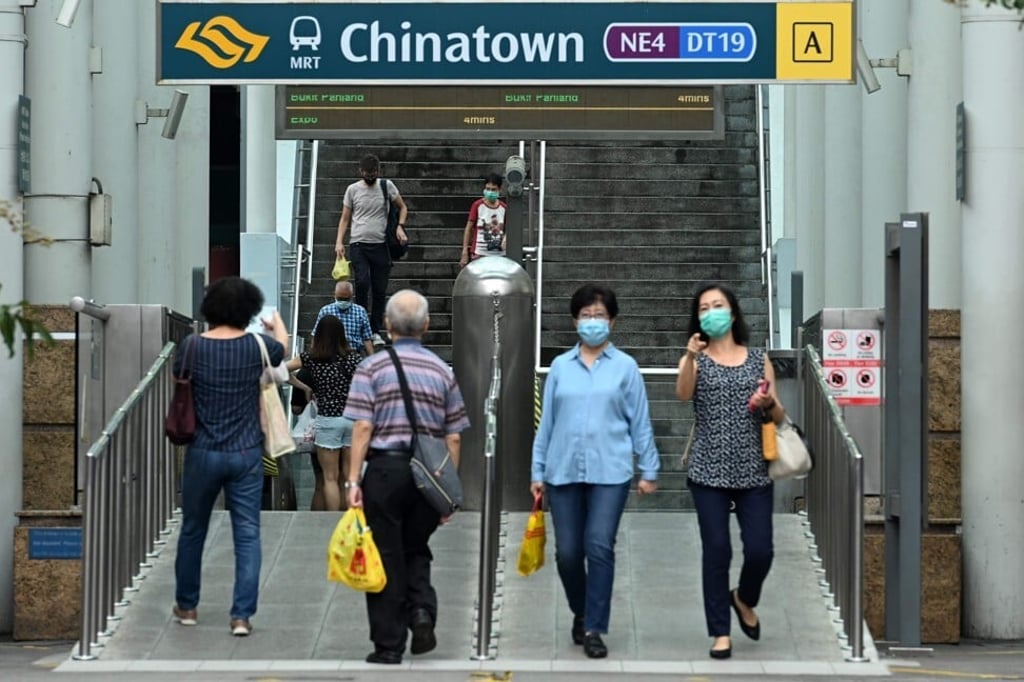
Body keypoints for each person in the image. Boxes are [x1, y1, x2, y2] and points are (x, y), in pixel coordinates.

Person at [530, 283, 660, 659]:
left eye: (599, 316)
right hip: (562, 471)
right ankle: (581, 609)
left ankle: (594, 627)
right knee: (568, 553)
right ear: (575, 321)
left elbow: (640, 421)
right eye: (585, 316)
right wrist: (537, 469)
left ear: (612, 321)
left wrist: (649, 467)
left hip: (611, 472)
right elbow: (547, 424)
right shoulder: (559, 368)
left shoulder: (626, 368)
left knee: (599, 546)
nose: (592, 322)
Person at [344, 289, 470, 665]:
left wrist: (353, 480)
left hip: (385, 470)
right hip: (427, 472)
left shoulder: (372, 368)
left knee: (385, 553)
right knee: (416, 546)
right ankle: (421, 612)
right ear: (427, 326)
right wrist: (447, 488)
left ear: (386, 325)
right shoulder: (441, 371)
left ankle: (389, 644)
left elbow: (363, 427)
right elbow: (453, 435)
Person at [170, 276, 289, 637]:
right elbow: (281, 351)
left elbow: (180, 378)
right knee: (248, 533)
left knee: (193, 530)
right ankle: (241, 616)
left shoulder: (191, 347)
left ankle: (187, 607)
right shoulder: (256, 346)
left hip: (203, 450)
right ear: (249, 310)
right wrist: (276, 325)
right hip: (246, 452)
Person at [675, 282, 784, 660]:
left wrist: (768, 402)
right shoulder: (695, 358)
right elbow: (683, 394)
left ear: (733, 313)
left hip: (754, 470)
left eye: (717, 305)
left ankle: (744, 597)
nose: (711, 313)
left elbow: (780, 414)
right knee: (716, 551)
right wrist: (690, 357)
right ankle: (720, 632)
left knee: (761, 551)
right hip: (708, 471)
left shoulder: (758, 359)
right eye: (704, 308)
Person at [284, 315, 362, 512]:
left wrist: (304, 387)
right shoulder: (353, 358)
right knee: (346, 476)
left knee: (329, 477)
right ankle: (347, 521)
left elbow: (279, 371)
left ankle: (331, 521)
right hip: (352, 420)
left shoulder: (310, 358)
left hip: (328, 420)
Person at [335, 154, 409, 345]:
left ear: (379, 171)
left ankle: (374, 330)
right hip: (358, 243)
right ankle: (361, 327)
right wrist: (339, 242)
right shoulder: (352, 190)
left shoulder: (387, 186)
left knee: (379, 289)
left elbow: (402, 207)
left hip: (381, 245)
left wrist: (400, 226)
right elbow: (345, 218)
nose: (370, 176)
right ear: (361, 172)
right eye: (367, 173)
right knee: (361, 282)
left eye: (373, 173)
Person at [289, 367, 326, 511]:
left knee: (321, 480)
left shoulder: (306, 371)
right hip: (346, 429)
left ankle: (315, 522)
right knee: (340, 479)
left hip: (317, 431)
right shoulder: (351, 364)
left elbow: (296, 409)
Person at [312, 280, 375, 356]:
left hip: (354, 354)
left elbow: (367, 339)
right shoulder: (325, 311)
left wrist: (373, 359)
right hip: (330, 354)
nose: (343, 302)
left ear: (352, 296)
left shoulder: (360, 311)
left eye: (346, 299)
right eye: (340, 298)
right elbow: (316, 336)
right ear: (334, 295)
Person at [459, 173, 507, 267]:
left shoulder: (504, 208)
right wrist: (465, 250)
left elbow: (508, 228)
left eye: (493, 189)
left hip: (499, 256)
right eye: (488, 189)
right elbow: (469, 228)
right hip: (479, 253)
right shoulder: (477, 205)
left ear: (499, 189)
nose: (490, 192)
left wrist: (505, 239)